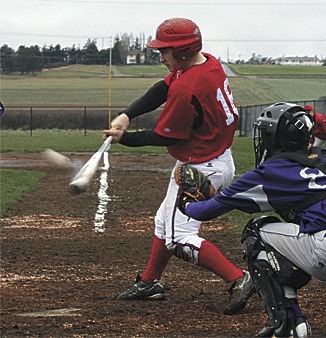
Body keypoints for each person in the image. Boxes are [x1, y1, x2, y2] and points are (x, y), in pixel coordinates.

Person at [179, 102, 326, 337]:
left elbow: (203, 212)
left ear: (273, 138)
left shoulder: (270, 172)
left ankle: (291, 324)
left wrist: (187, 202)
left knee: (255, 232)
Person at [102, 17, 254, 315]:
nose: (161, 57)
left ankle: (239, 278)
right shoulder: (207, 64)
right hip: (217, 158)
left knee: (178, 237)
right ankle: (149, 282)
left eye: (166, 51)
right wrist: (127, 114)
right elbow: (162, 88)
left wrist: (125, 138)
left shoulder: (189, 87)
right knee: (164, 221)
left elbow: (162, 135)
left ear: (183, 51)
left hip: (198, 169)